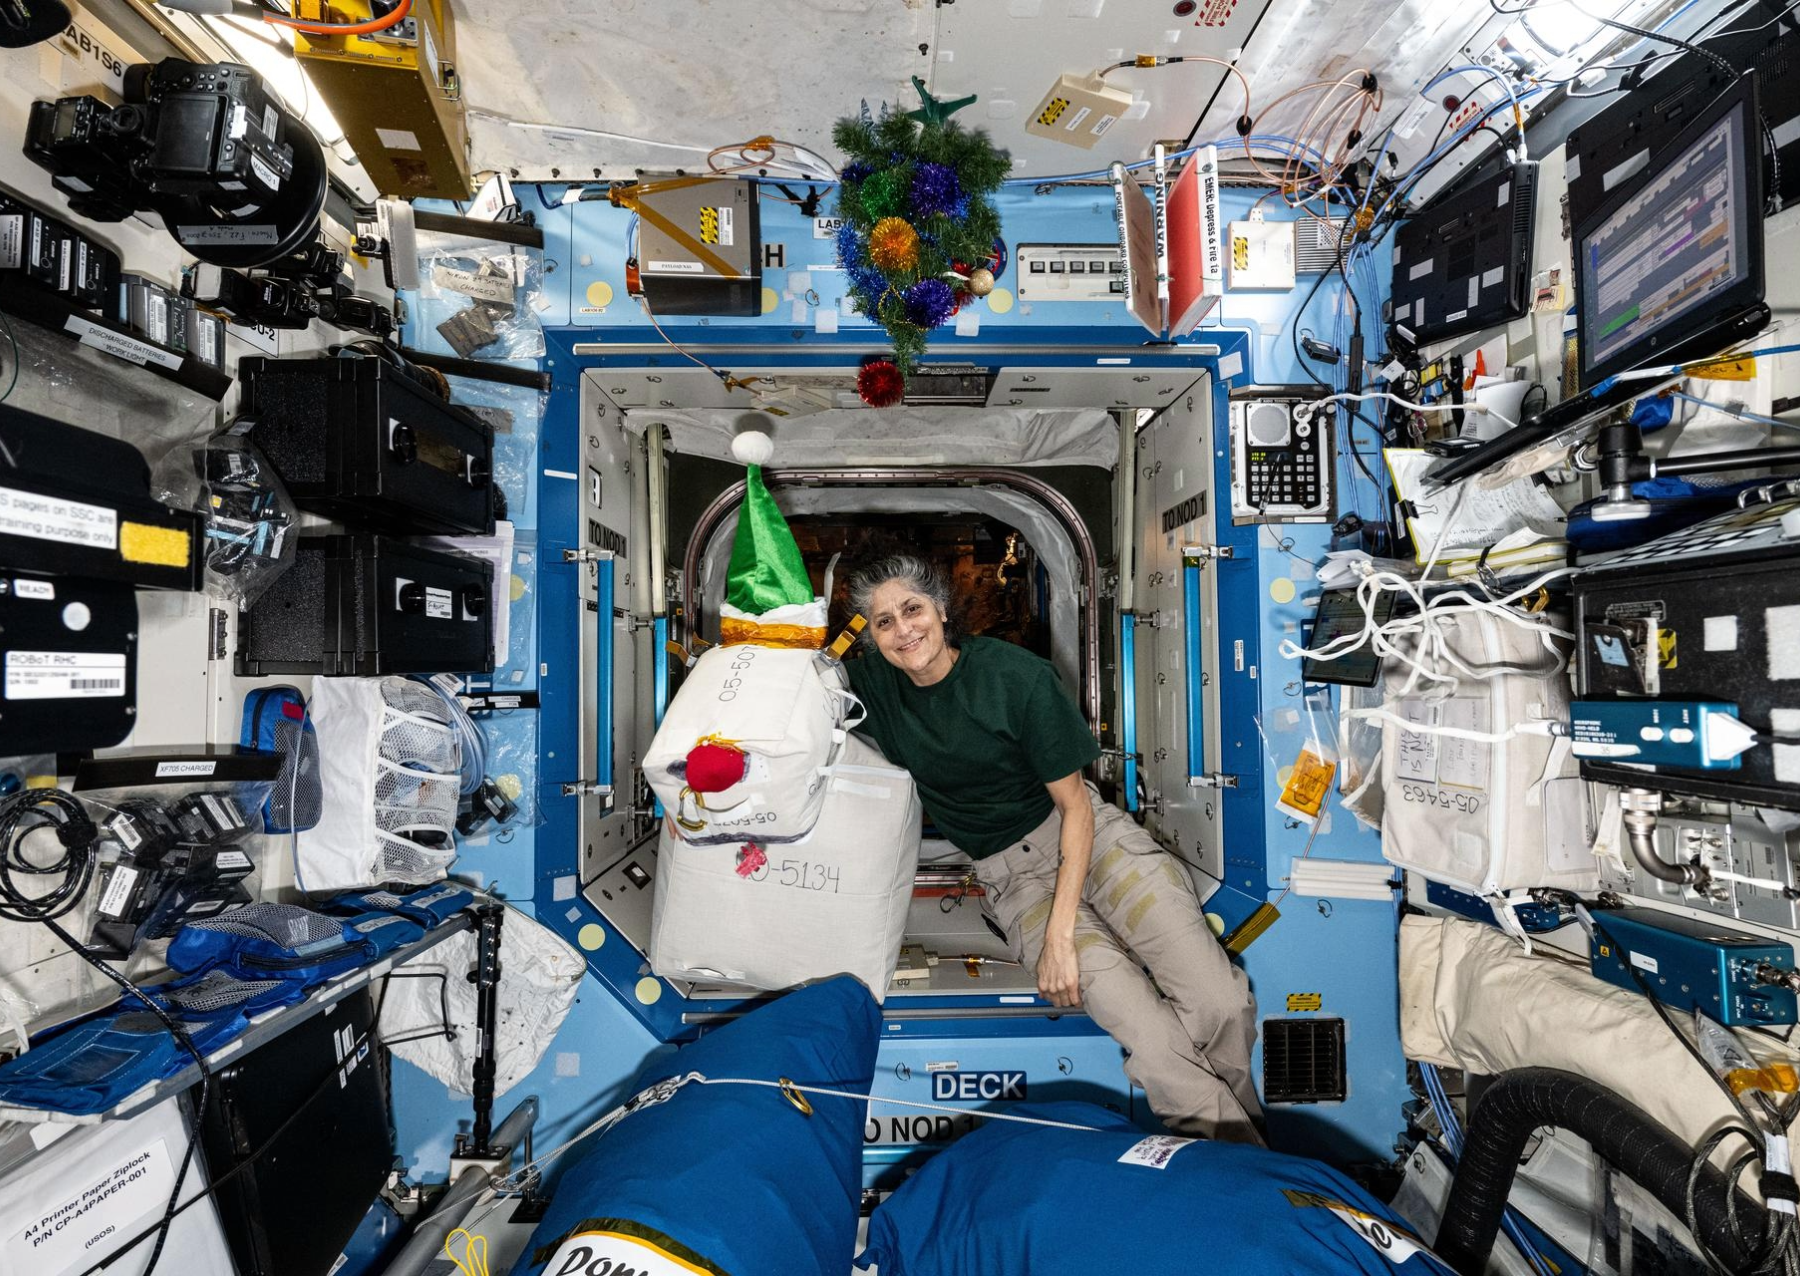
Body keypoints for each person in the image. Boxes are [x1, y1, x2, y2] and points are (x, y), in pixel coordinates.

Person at [844, 553, 1265, 1143]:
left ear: (940, 609)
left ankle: (1241, 1162)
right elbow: (786, 686)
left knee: (1220, 1003)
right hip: (1013, 879)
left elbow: (1075, 809)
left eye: (912, 609)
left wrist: (1060, 939)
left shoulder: (1016, 678)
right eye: (883, 622)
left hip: (1090, 839)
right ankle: (1251, 1181)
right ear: (871, 636)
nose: (903, 629)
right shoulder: (875, 687)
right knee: (1152, 1038)